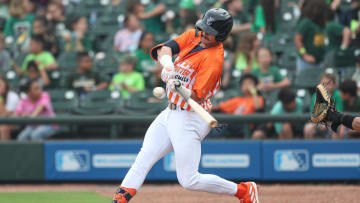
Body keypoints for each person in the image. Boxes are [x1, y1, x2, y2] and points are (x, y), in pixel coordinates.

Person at [112, 8, 260, 203]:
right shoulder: (195, 35)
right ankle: (121, 197)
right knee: (145, 156)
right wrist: (167, 64)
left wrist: (179, 86)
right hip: (170, 112)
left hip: (191, 117)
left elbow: (197, 97)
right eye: (204, 28)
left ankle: (243, 190)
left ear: (221, 36)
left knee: (189, 179)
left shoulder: (214, 60)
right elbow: (166, 48)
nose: (204, 33)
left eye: (210, 32)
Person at [303, 73, 343, 139]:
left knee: (336, 128)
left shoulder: (338, 95)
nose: (325, 86)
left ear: (334, 85)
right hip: (318, 122)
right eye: (323, 83)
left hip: (333, 121)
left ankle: (335, 148)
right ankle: (310, 148)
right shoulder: (315, 95)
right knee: (308, 128)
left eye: (328, 83)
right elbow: (314, 114)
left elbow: (338, 112)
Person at [294, 0, 329, 73]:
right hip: (306, 63)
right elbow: (297, 40)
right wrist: (305, 55)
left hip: (320, 62)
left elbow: (321, 42)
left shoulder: (321, 24)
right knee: (306, 83)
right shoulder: (306, 22)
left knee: (321, 84)